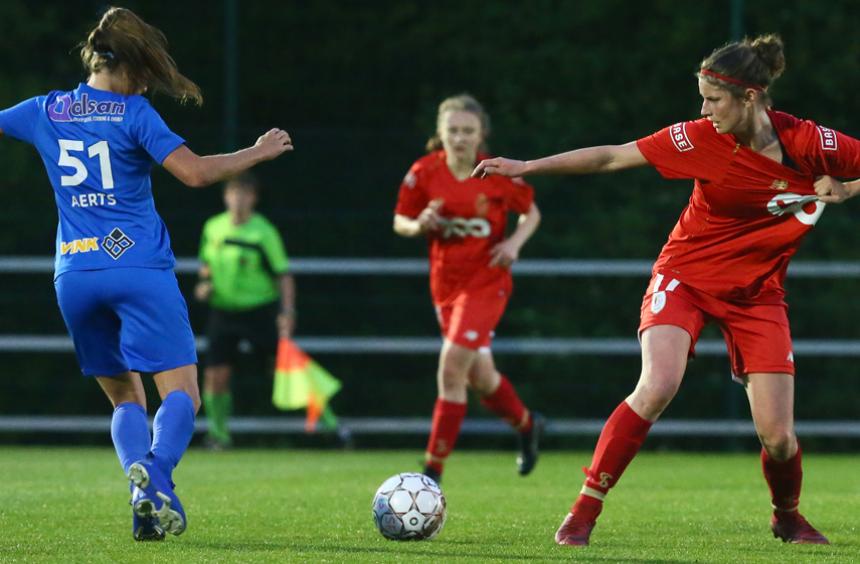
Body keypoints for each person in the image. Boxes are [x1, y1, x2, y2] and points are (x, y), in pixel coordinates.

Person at [474, 34, 860, 546]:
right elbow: (612, 157)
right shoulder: (701, 138)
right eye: (701, 96)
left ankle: (787, 517)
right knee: (657, 384)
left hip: (757, 294)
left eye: (713, 99)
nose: (704, 109)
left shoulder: (810, 142)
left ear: (750, 98)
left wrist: (847, 187)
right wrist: (528, 167)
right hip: (686, 277)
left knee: (780, 438)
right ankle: (582, 513)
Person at [0, 7, 292, 541]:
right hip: (137, 267)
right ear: (133, 67)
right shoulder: (133, 114)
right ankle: (155, 474)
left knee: (124, 398)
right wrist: (257, 150)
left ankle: (143, 506)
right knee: (184, 391)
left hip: (76, 273)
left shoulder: (45, 109)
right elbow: (197, 173)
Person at [394, 94, 545, 484]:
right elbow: (400, 221)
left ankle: (431, 472)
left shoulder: (495, 173)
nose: (460, 138)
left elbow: (531, 212)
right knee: (480, 377)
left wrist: (513, 244)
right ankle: (528, 426)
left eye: (468, 131)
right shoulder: (424, 172)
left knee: (450, 370)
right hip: (445, 287)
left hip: (486, 283)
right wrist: (419, 224)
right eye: (453, 131)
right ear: (440, 134)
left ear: (481, 136)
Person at [194, 173, 296, 449]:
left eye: (245, 194)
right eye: (234, 194)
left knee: (289, 370)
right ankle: (219, 435)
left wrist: (287, 312)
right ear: (225, 197)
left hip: (259, 311)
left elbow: (283, 275)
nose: (238, 200)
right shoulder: (213, 227)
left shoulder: (263, 232)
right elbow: (206, 266)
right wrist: (205, 285)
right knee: (215, 374)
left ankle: (330, 426)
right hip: (224, 312)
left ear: (254, 199)